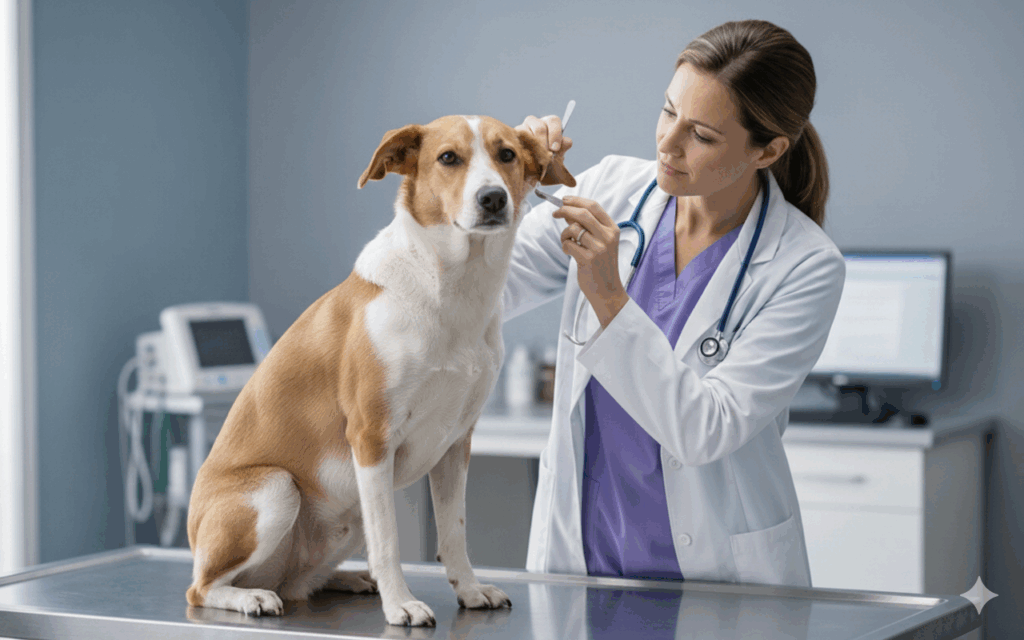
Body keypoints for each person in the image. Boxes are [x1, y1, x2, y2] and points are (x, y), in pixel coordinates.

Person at [503, 19, 845, 587]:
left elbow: (705, 430)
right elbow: (476, 293)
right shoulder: (609, 188)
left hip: (718, 575)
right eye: (668, 111)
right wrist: (504, 174)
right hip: (587, 556)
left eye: (702, 135)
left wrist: (610, 297)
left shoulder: (805, 265)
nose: (667, 142)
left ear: (769, 150)